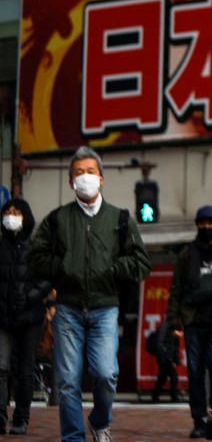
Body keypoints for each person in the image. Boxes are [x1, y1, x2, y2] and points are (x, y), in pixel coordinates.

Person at [28, 146, 152, 442]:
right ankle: (73, 437)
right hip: (68, 308)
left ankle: (99, 421)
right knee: (68, 381)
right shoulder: (57, 219)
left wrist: (112, 268)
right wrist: (64, 267)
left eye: (91, 172)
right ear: (71, 182)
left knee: (106, 375)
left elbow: (142, 263)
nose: (85, 178)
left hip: (105, 308)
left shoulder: (120, 219)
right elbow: (36, 258)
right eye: (79, 173)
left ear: (102, 178)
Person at [165, 205, 212, 438]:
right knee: (194, 372)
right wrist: (173, 320)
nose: (206, 228)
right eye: (201, 224)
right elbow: (176, 289)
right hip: (192, 321)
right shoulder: (187, 254)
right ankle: (199, 418)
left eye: (211, 224)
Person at [0, 198, 51, 436]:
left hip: (30, 317)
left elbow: (47, 277)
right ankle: (0, 418)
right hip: (2, 316)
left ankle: (21, 418)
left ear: (26, 217)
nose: (11, 216)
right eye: (7, 212)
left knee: (25, 370)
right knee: (1, 368)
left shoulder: (37, 247)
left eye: (16, 212)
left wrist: (30, 296)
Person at [147, 321, 180, 403]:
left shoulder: (176, 327)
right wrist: (166, 357)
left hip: (167, 356)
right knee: (173, 375)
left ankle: (155, 396)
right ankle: (174, 397)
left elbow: (175, 346)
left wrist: (175, 359)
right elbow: (160, 343)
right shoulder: (165, 326)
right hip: (163, 356)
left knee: (163, 376)